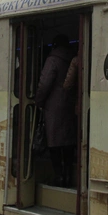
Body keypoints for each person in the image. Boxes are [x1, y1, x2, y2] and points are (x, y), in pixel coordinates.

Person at [35, 34, 76, 187]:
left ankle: (58, 176)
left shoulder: (52, 60)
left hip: (54, 107)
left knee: (54, 143)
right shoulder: (74, 58)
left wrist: (38, 101)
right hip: (70, 105)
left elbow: (44, 83)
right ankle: (68, 176)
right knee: (68, 142)